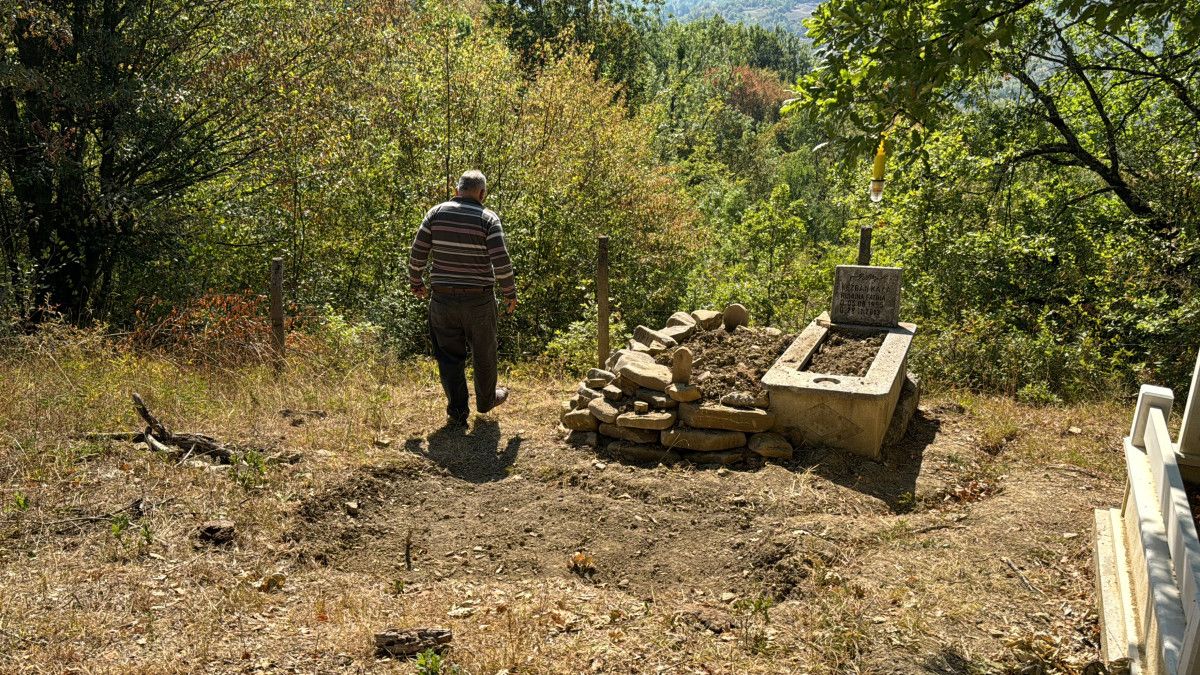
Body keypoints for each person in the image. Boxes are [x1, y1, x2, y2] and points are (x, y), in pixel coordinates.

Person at [408, 170, 518, 425]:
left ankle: (458, 412)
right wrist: (509, 292)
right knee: (484, 353)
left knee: (448, 357)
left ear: (457, 190)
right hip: (479, 301)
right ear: (482, 193)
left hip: (442, 300)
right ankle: (486, 400)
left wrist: (416, 282)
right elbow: (501, 261)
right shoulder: (488, 218)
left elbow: (417, 254)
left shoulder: (435, 213)